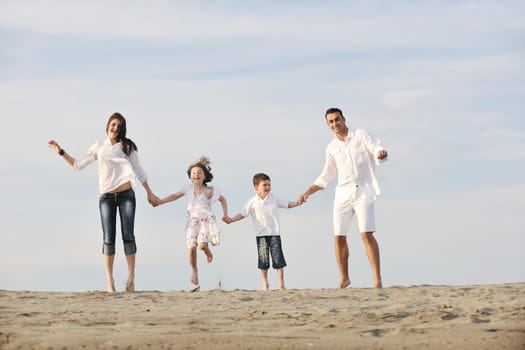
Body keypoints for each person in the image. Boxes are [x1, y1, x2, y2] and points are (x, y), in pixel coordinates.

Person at [48, 112, 159, 293]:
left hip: (126, 195)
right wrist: (60, 151)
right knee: (108, 239)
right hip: (107, 197)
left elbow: (138, 170)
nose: (116, 128)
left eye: (119, 126)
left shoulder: (127, 146)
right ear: (108, 125)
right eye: (113, 124)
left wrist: (149, 193)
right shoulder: (98, 147)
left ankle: (131, 277)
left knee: (128, 236)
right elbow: (78, 165)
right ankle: (110, 281)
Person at [298, 107, 388, 289]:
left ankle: (377, 279)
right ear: (327, 125)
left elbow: (376, 146)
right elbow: (326, 174)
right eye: (330, 122)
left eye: (337, 120)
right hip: (342, 193)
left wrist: (380, 153)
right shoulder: (331, 148)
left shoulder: (360, 135)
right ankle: (344, 277)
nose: (335, 124)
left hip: (363, 190)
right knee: (339, 236)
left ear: (343, 119)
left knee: (366, 234)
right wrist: (308, 192)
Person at [153, 156, 228, 291]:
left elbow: (223, 199)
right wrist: (160, 202)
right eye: (193, 173)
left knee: (201, 245)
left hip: (205, 222)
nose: (196, 174)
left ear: (204, 176)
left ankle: (207, 251)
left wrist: (226, 215)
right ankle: (194, 270)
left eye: (199, 172)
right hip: (192, 223)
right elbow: (175, 196)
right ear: (190, 177)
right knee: (191, 248)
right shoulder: (187, 188)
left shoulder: (209, 190)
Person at [224, 173, 302, 291]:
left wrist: (297, 203)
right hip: (261, 235)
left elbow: (287, 204)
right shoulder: (252, 201)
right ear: (256, 187)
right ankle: (265, 282)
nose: (267, 187)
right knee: (263, 259)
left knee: (278, 258)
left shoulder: (274, 198)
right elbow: (243, 213)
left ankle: (281, 284)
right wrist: (231, 220)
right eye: (264, 185)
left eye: (269, 184)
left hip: (274, 233)